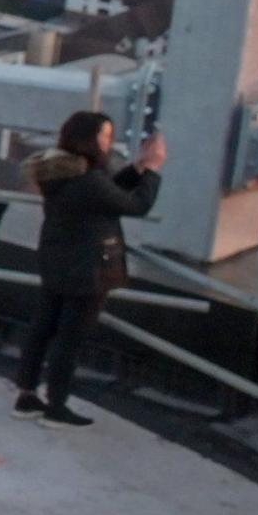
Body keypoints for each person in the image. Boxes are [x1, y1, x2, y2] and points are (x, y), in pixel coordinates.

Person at [16, 111, 166, 426]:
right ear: (90, 140)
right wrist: (151, 169)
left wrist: (136, 169)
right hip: (88, 270)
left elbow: (106, 192)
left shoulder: (61, 171)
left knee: (43, 329)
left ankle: (26, 395)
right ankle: (56, 406)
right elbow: (135, 205)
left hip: (57, 261)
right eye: (105, 136)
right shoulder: (87, 180)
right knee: (69, 339)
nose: (110, 143)